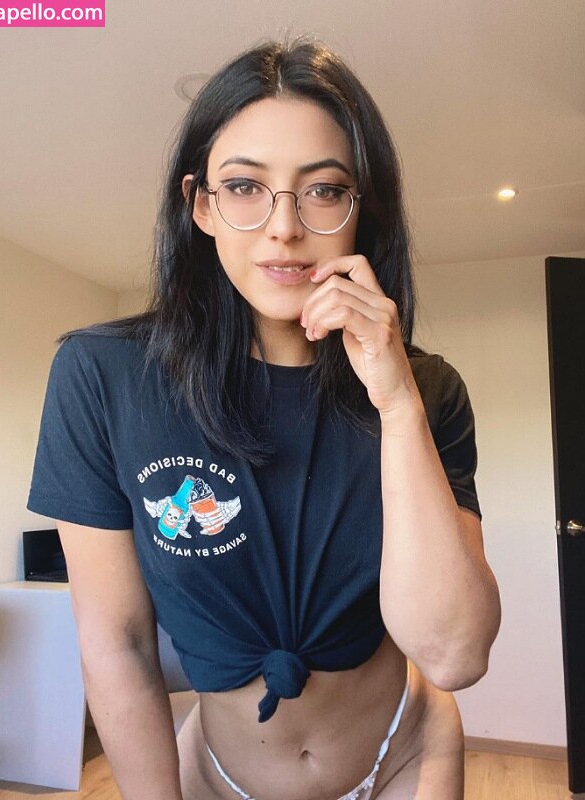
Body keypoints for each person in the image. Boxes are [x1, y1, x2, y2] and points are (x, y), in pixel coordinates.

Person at [28, 37, 501, 800]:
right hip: (218, 776)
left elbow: (454, 655)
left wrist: (397, 403)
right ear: (201, 206)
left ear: (362, 208)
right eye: (246, 186)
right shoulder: (102, 377)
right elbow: (118, 644)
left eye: (324, 190)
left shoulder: (427, 391)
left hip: (406, 757)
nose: (284, 227)